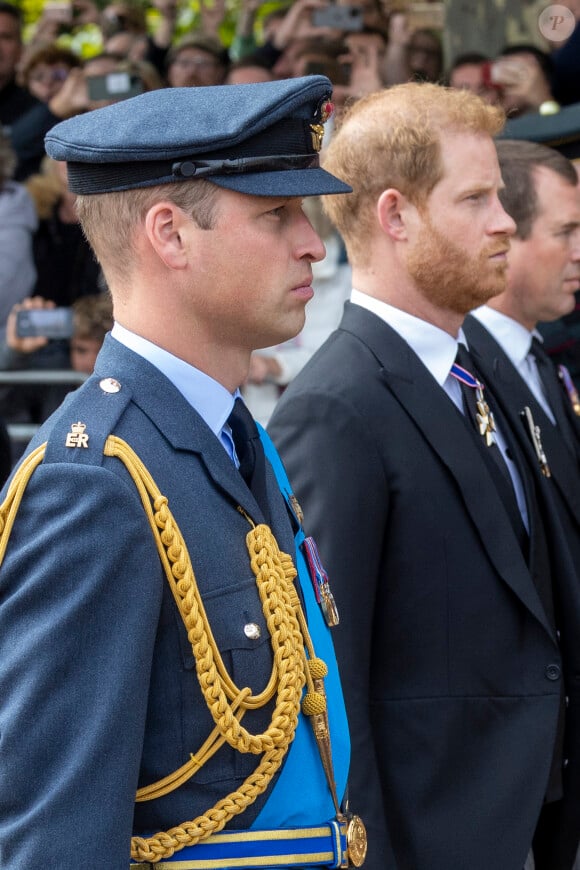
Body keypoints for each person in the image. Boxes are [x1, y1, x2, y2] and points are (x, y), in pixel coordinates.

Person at [0, 75, 367, 870]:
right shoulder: (96, 481)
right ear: (170, 235)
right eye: (276, 215)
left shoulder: (237, 435)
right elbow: (54, 835)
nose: (312, 242)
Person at [268, 82, 580, 870]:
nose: (505, 220)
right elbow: (331, 686)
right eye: (475, 199)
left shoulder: (482, 372)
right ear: (395, 216)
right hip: (431, 839)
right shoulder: (336, 410)